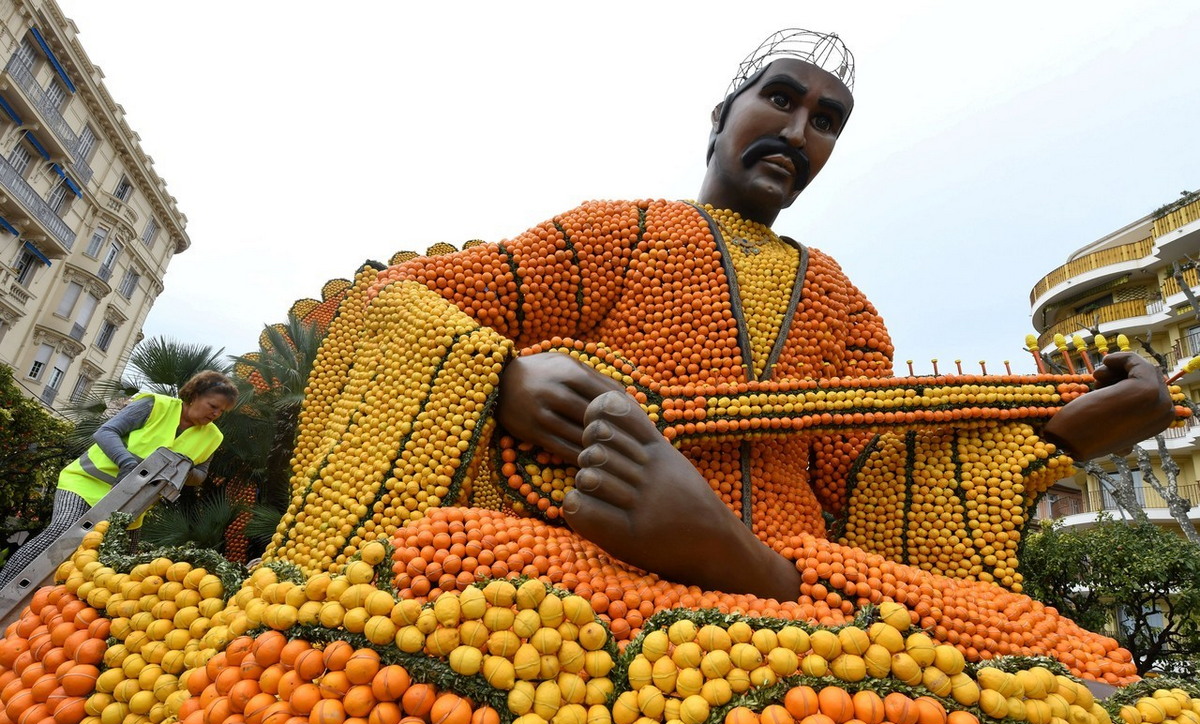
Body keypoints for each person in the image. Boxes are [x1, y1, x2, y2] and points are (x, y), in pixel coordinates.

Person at [269, 30, 1176, 678]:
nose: (799, 129)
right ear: (722, 114)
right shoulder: (618, 232)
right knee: (446, 568)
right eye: (780, 99)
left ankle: (743, 568)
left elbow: (870, 476)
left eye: (826, 121)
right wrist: (498, 375)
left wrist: (1063, 430)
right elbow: (387, 304)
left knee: (1074, 654)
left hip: (782, 580)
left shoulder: (843, 303)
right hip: (571, 557)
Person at [0, 370, 238, 585]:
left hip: (133, 504)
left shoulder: (213, 436)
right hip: (86, 482)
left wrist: (182, 468)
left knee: (118, 564)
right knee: (62, 533)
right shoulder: (155, 406)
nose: (216, 414)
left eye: (221, 411)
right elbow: (105, 431)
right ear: (194, 395)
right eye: (212, 406)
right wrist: (126, 462)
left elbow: (200, 475)